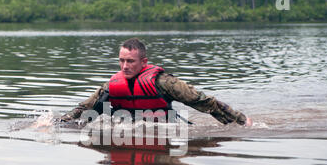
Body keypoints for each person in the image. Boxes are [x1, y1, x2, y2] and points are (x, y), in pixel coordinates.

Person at [59, 38, 252, 126]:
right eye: (121, 60)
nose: (124, 66)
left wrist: (241, 121)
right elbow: (83, 108)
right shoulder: (111, 86)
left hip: (166, 125)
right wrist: (56, 123)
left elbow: (205, 102)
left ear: (144, 62)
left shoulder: (164, 83)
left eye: (130, 61)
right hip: (127, 125)